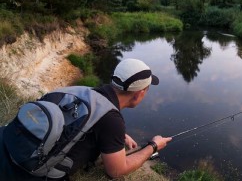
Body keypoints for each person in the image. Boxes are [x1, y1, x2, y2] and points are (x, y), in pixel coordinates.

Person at [0, 58, 172, 180]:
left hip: (6, 143)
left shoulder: (81, 90)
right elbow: (117, 171)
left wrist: (119, 136)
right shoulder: (112, 120)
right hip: (25, 173)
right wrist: (153, 146)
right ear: (139, 93)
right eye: (147, 90)